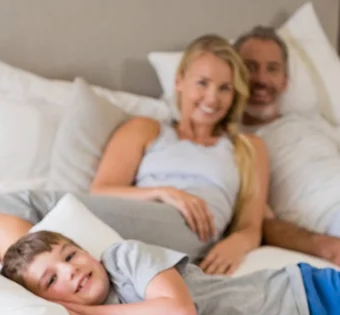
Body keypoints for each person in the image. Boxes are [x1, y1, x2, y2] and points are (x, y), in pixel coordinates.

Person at [1, 228, 340, 315]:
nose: (69, 270)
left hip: (304, 297)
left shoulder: (124, 259)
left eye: (70, 255)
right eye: (51, 279)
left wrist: (89, 313)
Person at [91, 34, 269, 275]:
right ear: (179, 82)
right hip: (140, 219)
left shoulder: (248, 147)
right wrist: (165, 193)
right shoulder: (144, 129)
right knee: (39, 212)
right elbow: (101, 192)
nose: (212, 98)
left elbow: (251, 226)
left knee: (32, 204)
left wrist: (237, 243)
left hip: (196, 232)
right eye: (202, 83)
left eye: (225, 88)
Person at [234, 26, 340, 266]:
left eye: (272, 69)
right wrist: (323, 246)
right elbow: (261, 221)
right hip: (329, 221)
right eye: (250, 67)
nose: (261, 79)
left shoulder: (316, 123)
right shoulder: (236, 143)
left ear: (285, 81)